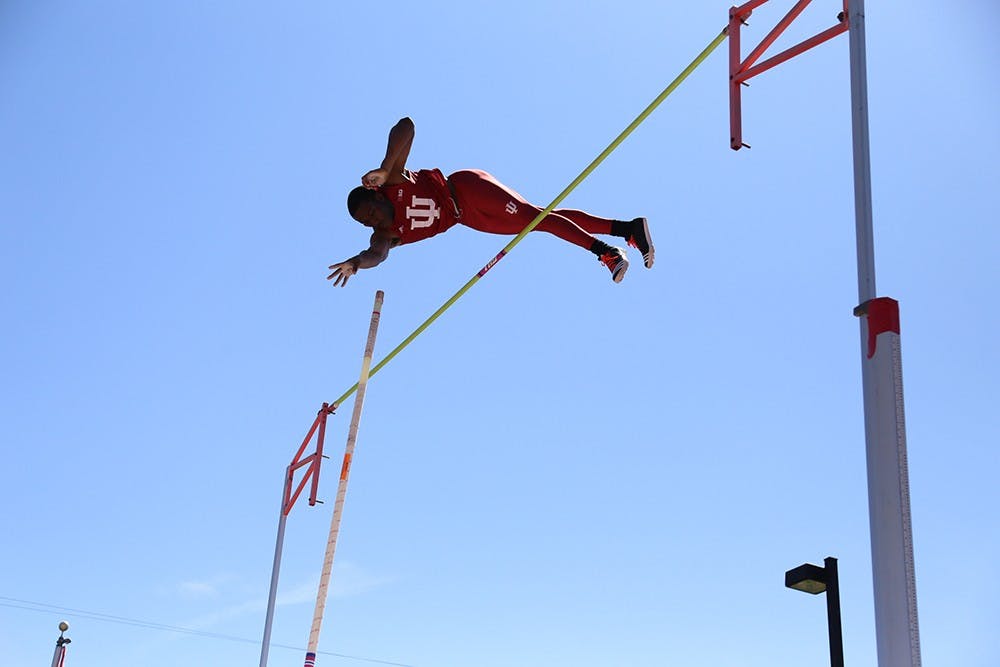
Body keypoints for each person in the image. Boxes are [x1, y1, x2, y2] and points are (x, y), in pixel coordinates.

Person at [327, 117, 654, 286]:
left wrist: (385, 168)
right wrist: (356, 264)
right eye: (366, 223)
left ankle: (607, 253)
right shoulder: (383, 235)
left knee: (534, 219)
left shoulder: (393, 182)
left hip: (467, 189)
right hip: (467, 218)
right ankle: (626, 228)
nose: (373, 221)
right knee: (539, 220)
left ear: (375, 196)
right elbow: (376, 255)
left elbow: (407, 126)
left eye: (370, 213)